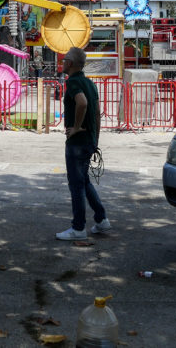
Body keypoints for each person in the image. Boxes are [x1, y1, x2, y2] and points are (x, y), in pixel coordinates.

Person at [56, 46, 110, 241]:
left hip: (77, 142)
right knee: (84, 181)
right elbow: (97, 113)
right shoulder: (90, 83)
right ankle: (101, 219)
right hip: (89, 140)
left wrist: (77, 127)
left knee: (76, 185)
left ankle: (78, 228)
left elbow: (83, 103)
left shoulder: (73, 82)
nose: (62, 62)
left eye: (64, 60)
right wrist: (95, 139)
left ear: (70, 64)